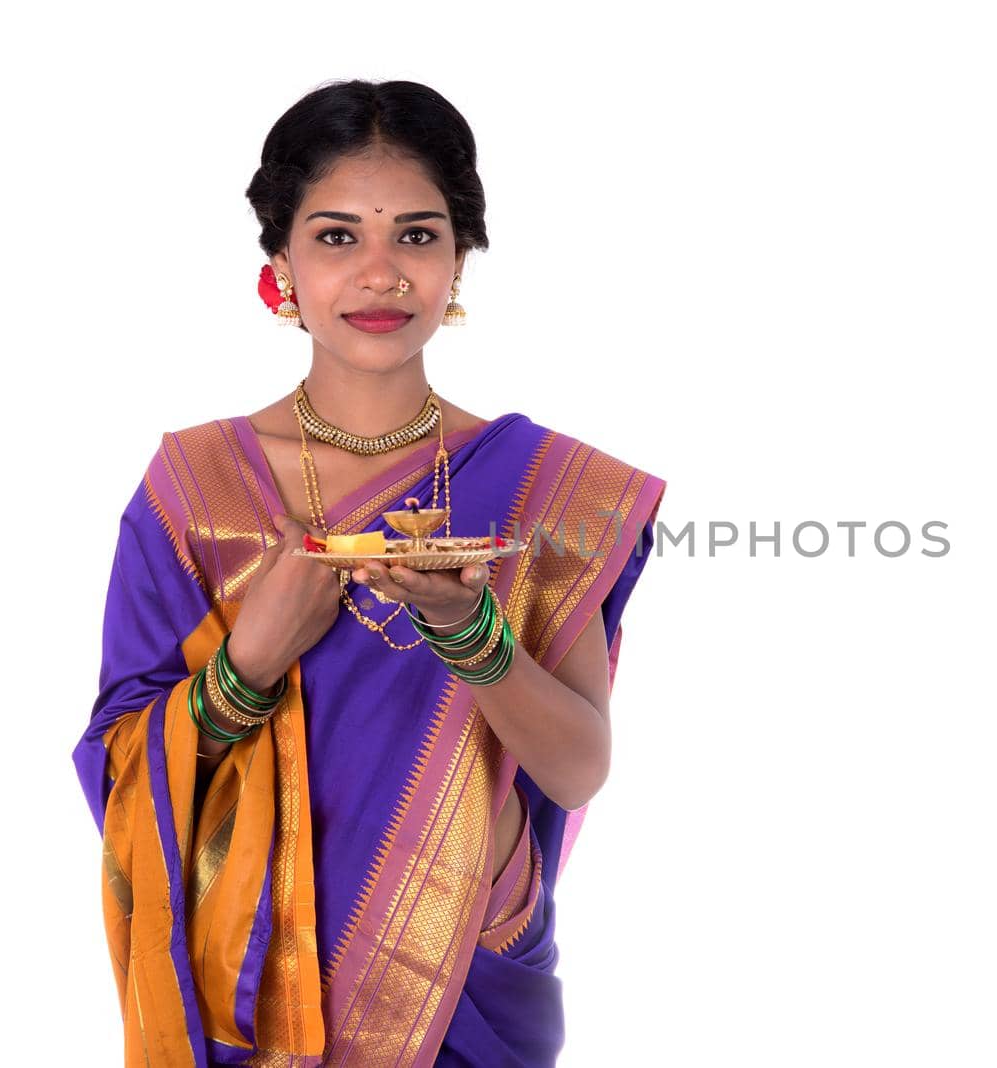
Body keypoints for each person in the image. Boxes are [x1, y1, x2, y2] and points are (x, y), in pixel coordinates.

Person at [71, 79, 668, 1067]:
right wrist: (248, 663)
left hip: (465, 975)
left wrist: (472, 640)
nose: (381, 273)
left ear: (459, 262)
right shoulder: (194, 489)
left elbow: (577, 767)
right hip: (254, 980)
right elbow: (118, 769)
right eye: (339, 237)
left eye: (419, 237)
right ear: (282, 267)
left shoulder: (548, 494)